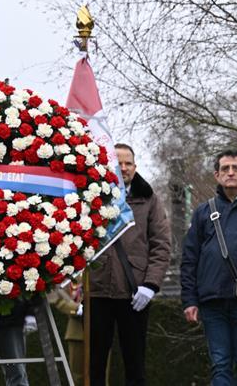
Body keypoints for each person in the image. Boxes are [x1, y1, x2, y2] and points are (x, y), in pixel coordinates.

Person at [89, 143, 171, 386]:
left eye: (128, 163)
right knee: (93, 364)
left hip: (135, 292)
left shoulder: (149, 198)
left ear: (135, 167)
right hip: (97, 289)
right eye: (119, 162)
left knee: (135, 365)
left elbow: (161, 245)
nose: (123, 168)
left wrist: (150, 285)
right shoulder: (92, 195)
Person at [180, 149, 237, 386]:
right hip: (212, 301)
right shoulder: (204, 211)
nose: (230, 173)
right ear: (216, 175)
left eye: (236, 168)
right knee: (220, 365)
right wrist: (189, 300)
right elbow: (190, 258)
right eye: (225, 168)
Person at [48, 278, 84, 385]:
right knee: (78, 377)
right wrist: (76, 309)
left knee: (101, 375)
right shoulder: (74, 274)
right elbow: (58, 299)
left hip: (101, 329)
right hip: (77, 331)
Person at [0, 300, 32, 386]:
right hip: (7, 315)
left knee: (16, 370)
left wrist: (30, 313)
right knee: (16, 371)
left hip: (9, 316)